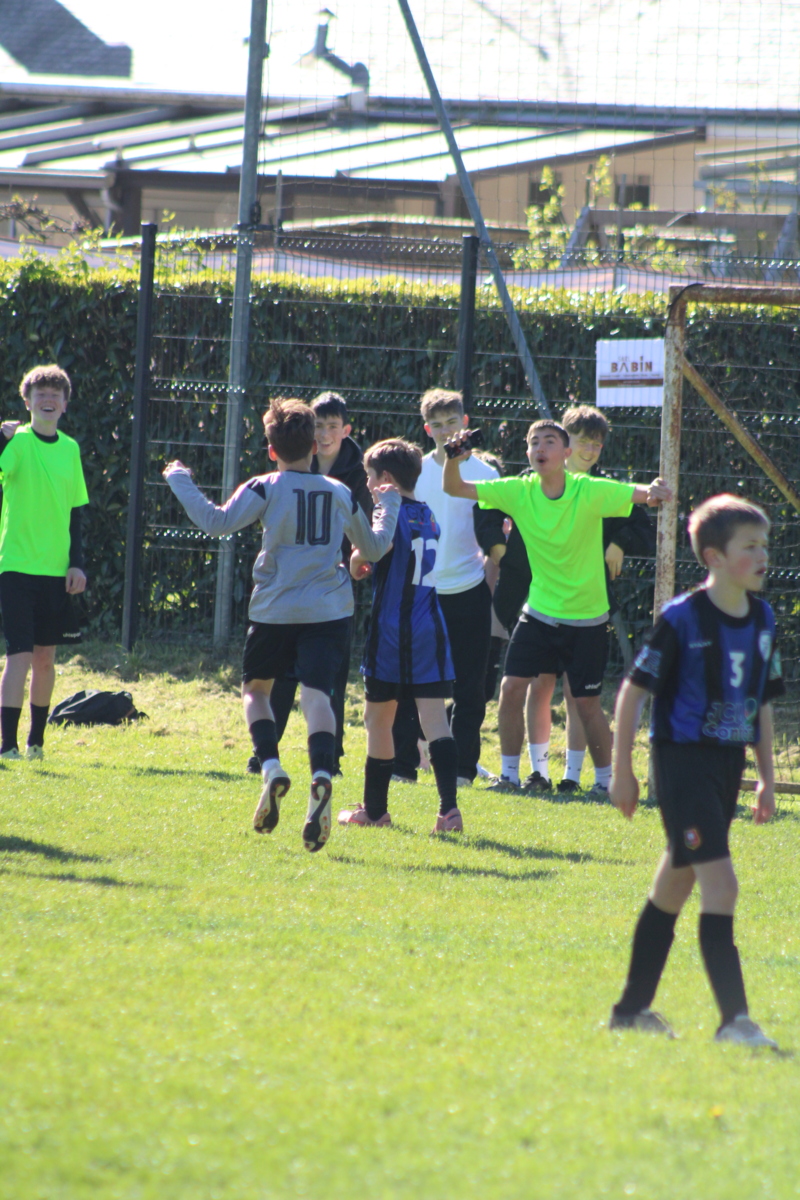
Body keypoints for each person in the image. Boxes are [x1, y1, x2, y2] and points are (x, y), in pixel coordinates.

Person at [164, 398, 400, 852]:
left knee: (256, 691)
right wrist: (386, 505)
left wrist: (179, 479)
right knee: (316, 696)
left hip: (274, 610)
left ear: (272, 450)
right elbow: (372, 548)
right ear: (314, 446)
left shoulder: (265, 486)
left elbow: (215, 522)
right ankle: (322, 774)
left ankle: (271, 767)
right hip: (329, 611)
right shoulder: (339, 490)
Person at [608, 495, 783, 1046]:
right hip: (682, 762)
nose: (763, 556)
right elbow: (632, 693)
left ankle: (630, 1012)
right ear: (714, 557)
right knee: (722, 886)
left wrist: (767, 778)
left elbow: (762, 703)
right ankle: (735, 1022)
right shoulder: (682, 618)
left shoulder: (764, 619)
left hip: (726, 764)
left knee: (674, 885)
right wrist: (622, 771)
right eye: (750, 546)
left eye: (765, 545)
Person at [442, 419, 670, 793]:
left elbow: (644, 496)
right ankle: (510, 776)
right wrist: (454, 458)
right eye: (534, 442)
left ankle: (604, 783)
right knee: (511, 688)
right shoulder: (518, 490)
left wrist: (656, 490)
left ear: (565, 453)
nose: (540, 448)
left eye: (549, 441)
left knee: (587, 704)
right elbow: (454, 487)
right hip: (538, 612)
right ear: (528, 453)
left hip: (588, 617)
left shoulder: (588, 489)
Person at [337, 438, 461, 833]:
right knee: (435, 719)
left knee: (378, 718)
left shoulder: (387, 512)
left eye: (370, 477)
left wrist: (356, 559)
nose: (368, 484)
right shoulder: (428, 514)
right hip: (430, 627)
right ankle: (449, 812)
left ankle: (375, 811)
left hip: (392, 631)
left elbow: (373, 549)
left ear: (386, 478)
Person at [256, 391, 372, 776]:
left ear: (346, 430)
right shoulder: (289, 470)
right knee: (281, 676)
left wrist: (357, 559)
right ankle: (265, 755)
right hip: (288, 589)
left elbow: (363, 531)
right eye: (318, 426)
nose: (324, 434)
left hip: (330, 590)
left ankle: (329, 760)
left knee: (328, 680)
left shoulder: (357, 476)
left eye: (332, 427)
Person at [392, 388, 497, 789]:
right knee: (409, 683)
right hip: (420, 591)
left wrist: (489, 579)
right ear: (426, 429)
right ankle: (404, 766)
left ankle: (463, 771)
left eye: (452, 422)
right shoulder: (414, 472)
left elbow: (496, 536)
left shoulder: (487, 475)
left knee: (471, 687)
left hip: (469, 589)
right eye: (437, 425)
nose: (446, 430)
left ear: (465, 423)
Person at [0, 365, 88, 761]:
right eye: (41, 394)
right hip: (16, 567)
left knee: (45, 659)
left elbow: (75, 513)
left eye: (55, 394)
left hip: (56, 572)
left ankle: (36, 742)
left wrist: (76, 564)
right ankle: (8, 745)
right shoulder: (16, 442)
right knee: (18, 655)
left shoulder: (70, 449)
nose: (48, 400)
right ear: (28, 402)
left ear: (65, 404)